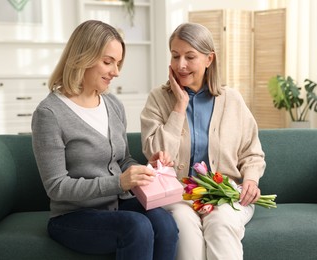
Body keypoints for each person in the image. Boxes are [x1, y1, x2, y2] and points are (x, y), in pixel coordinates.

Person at [31, 20, 178, 260]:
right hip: (73, 217)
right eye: (108, 62)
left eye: (118, 63)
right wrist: (119, 183)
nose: (116, 72)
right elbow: (56, 187)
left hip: (116, 205)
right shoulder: (49, 114)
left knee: (165, 223)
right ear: (82, 57)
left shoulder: (113, 105)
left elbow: (123, 161)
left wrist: (144, 168)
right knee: (137, 227)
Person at [140, 22, 266, 260]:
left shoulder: (232, 100)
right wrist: (179, 106)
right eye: (175, 56)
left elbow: (252, 153)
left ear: (209, 59)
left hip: (226, 194)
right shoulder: (158, 98)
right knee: (184, 228)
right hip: (178, 197)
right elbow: (155, 152)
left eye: (190, 57)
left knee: (221, 223)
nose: (181, 65)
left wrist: (250, 179)